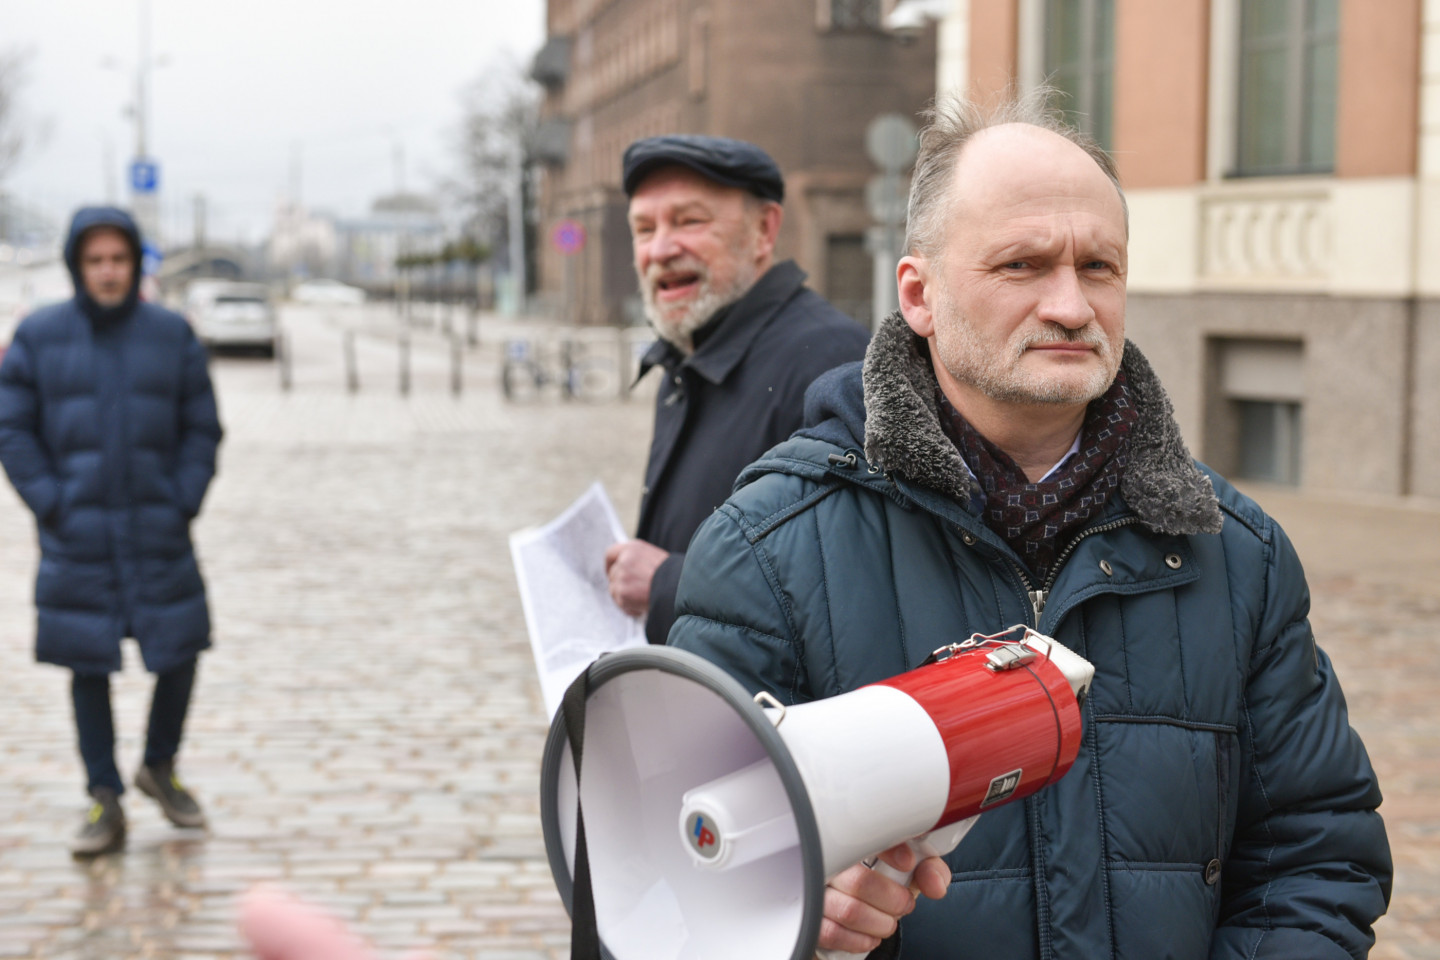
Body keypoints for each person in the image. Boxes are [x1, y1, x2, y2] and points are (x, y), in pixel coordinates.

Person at [667, 93, 1393, 958]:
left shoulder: (1237, 553)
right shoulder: (768, 551)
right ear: (920, 293)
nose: (1071, 306)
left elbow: (1318, 857)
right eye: (1022, 266)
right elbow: (681, 885)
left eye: (1099, 268)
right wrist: (789, 920)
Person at [0, 206, 222, 858]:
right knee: (86, 661)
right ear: (78, 265)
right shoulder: (39, 336)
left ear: (135, 265)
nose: (107, 272)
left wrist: (183, 497)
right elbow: (12, 428)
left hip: (158, 524)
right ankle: (104, 796)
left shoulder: (170, 334)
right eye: (95, 261)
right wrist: (50, 501)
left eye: (118, 260)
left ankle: (159, 764)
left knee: (182, 649)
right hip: (78, 532)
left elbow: (201, 426)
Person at [603, 134, 870, 644]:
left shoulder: (831, 362)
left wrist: (664, 584)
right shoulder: (686, 354)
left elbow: (850, 583)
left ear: (764, 231)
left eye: (689, 221)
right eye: (643, 229)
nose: (660, 249)